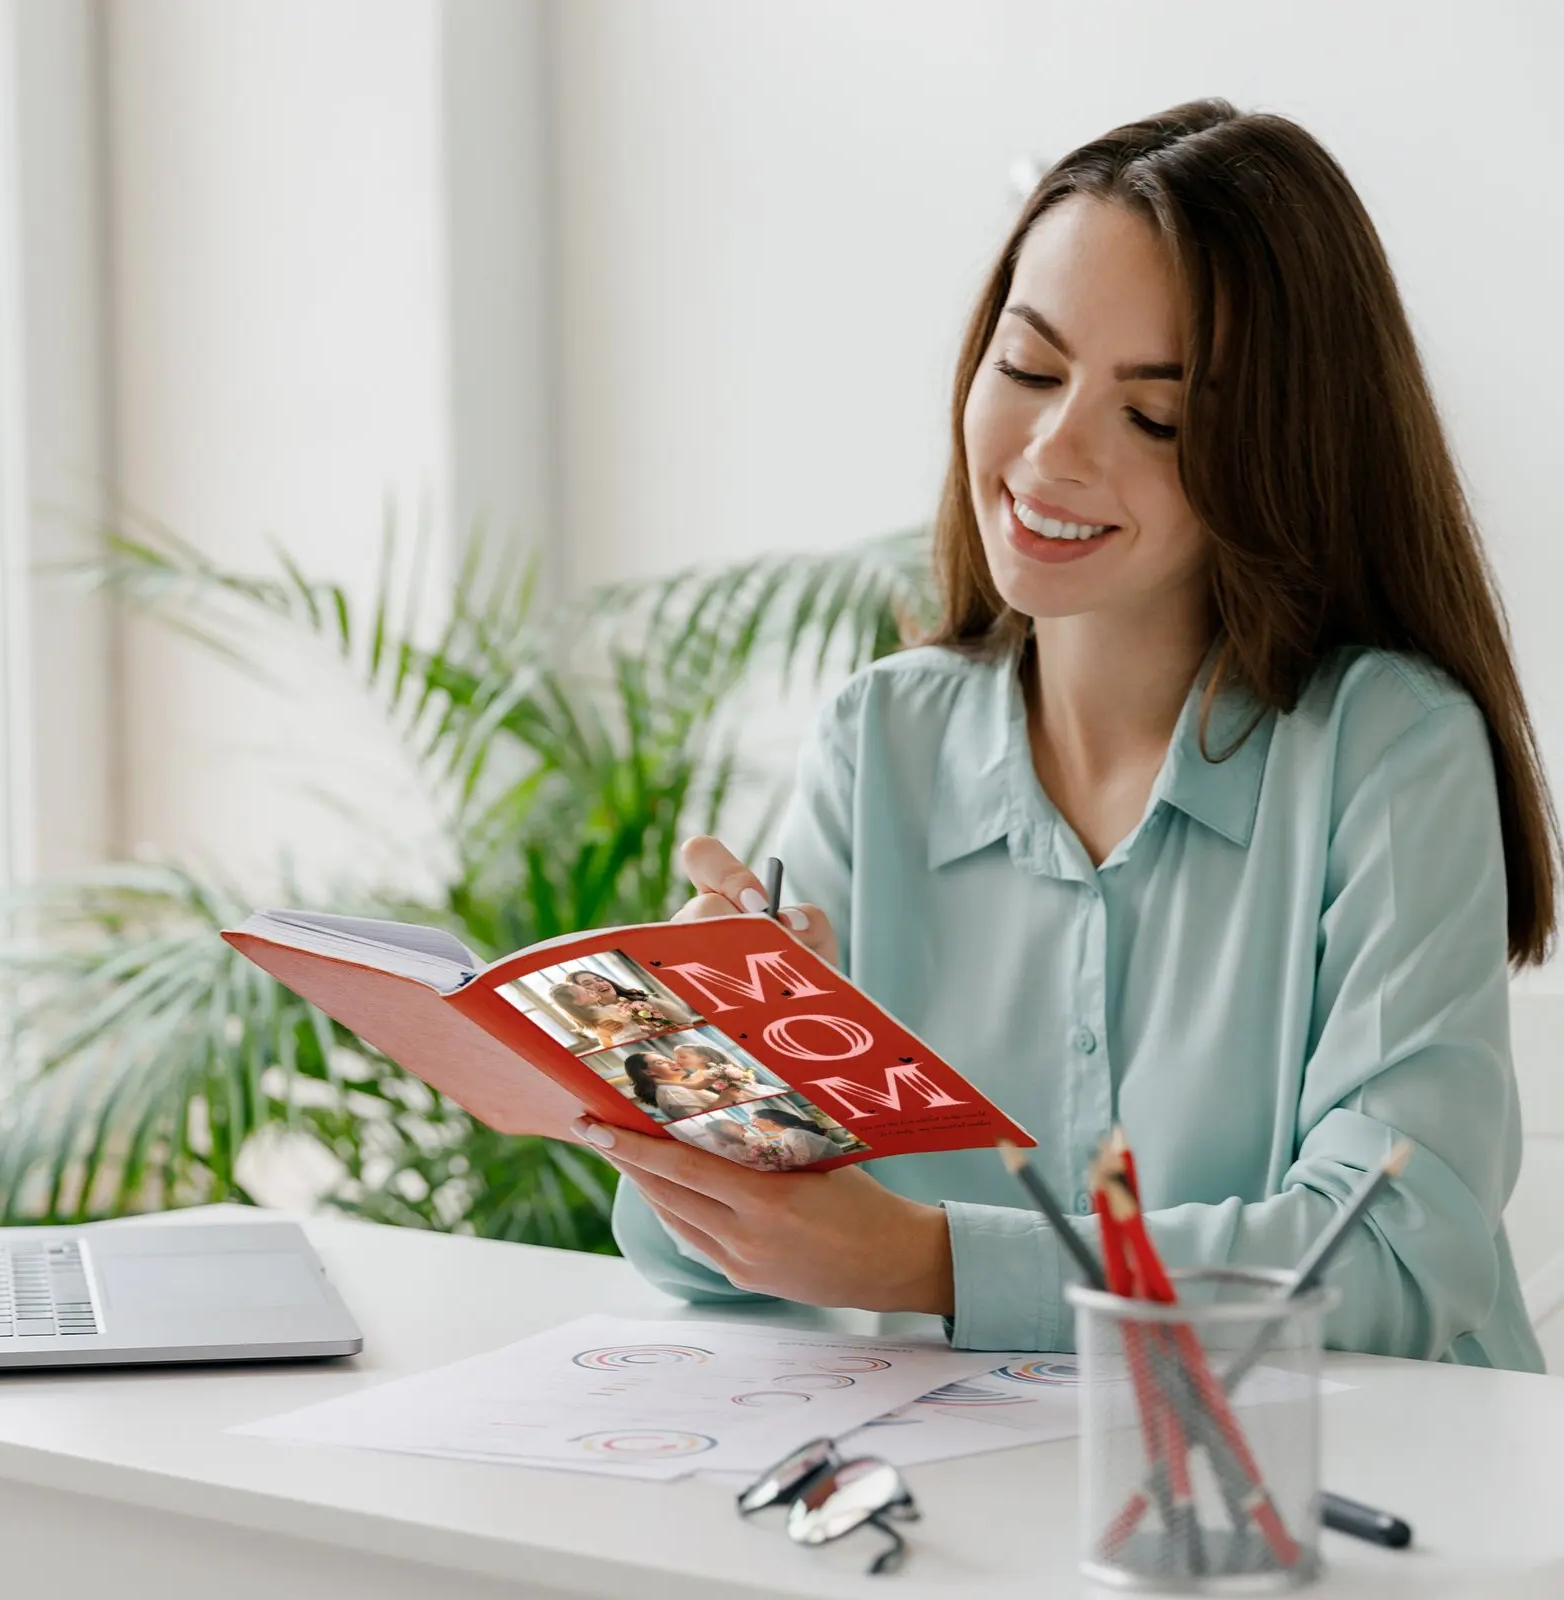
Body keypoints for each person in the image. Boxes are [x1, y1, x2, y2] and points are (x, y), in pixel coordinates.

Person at [576, 100, 1554, 1370]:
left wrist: (925, 1260)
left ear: (1277, 454)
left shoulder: (1388, 750)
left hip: (1380, 1515)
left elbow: (1390, 1255)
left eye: (1154, 418)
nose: (1051, 451)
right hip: (1005, 1499)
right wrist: (705, 1058)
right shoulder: (881, 739)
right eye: (1028, 370)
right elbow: (695, 1258)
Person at [550, 970, 687, 1050]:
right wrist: (604, 1034)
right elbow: (613, 1044)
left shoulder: (641, 1001)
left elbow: (685, 1022)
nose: (598, 984)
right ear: (578, 998)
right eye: (588, 985)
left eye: (599, 979)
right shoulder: (598, 1020)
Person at [621, 1052, 724, 1121]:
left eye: (668, 1059)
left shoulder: (677, 1086)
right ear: (648, 1072)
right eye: (660, 1063)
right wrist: (727, 1098)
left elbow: (698, 1075)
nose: (672, 1063)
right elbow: (700, 1122)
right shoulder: (671, 1092)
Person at [749, 1106, 850, 1171]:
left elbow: (804, 1160)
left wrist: (780, 1162)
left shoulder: (794, 1134)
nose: (752, 1125)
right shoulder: (789, 1133)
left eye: (754, 1121)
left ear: (769, 1120)